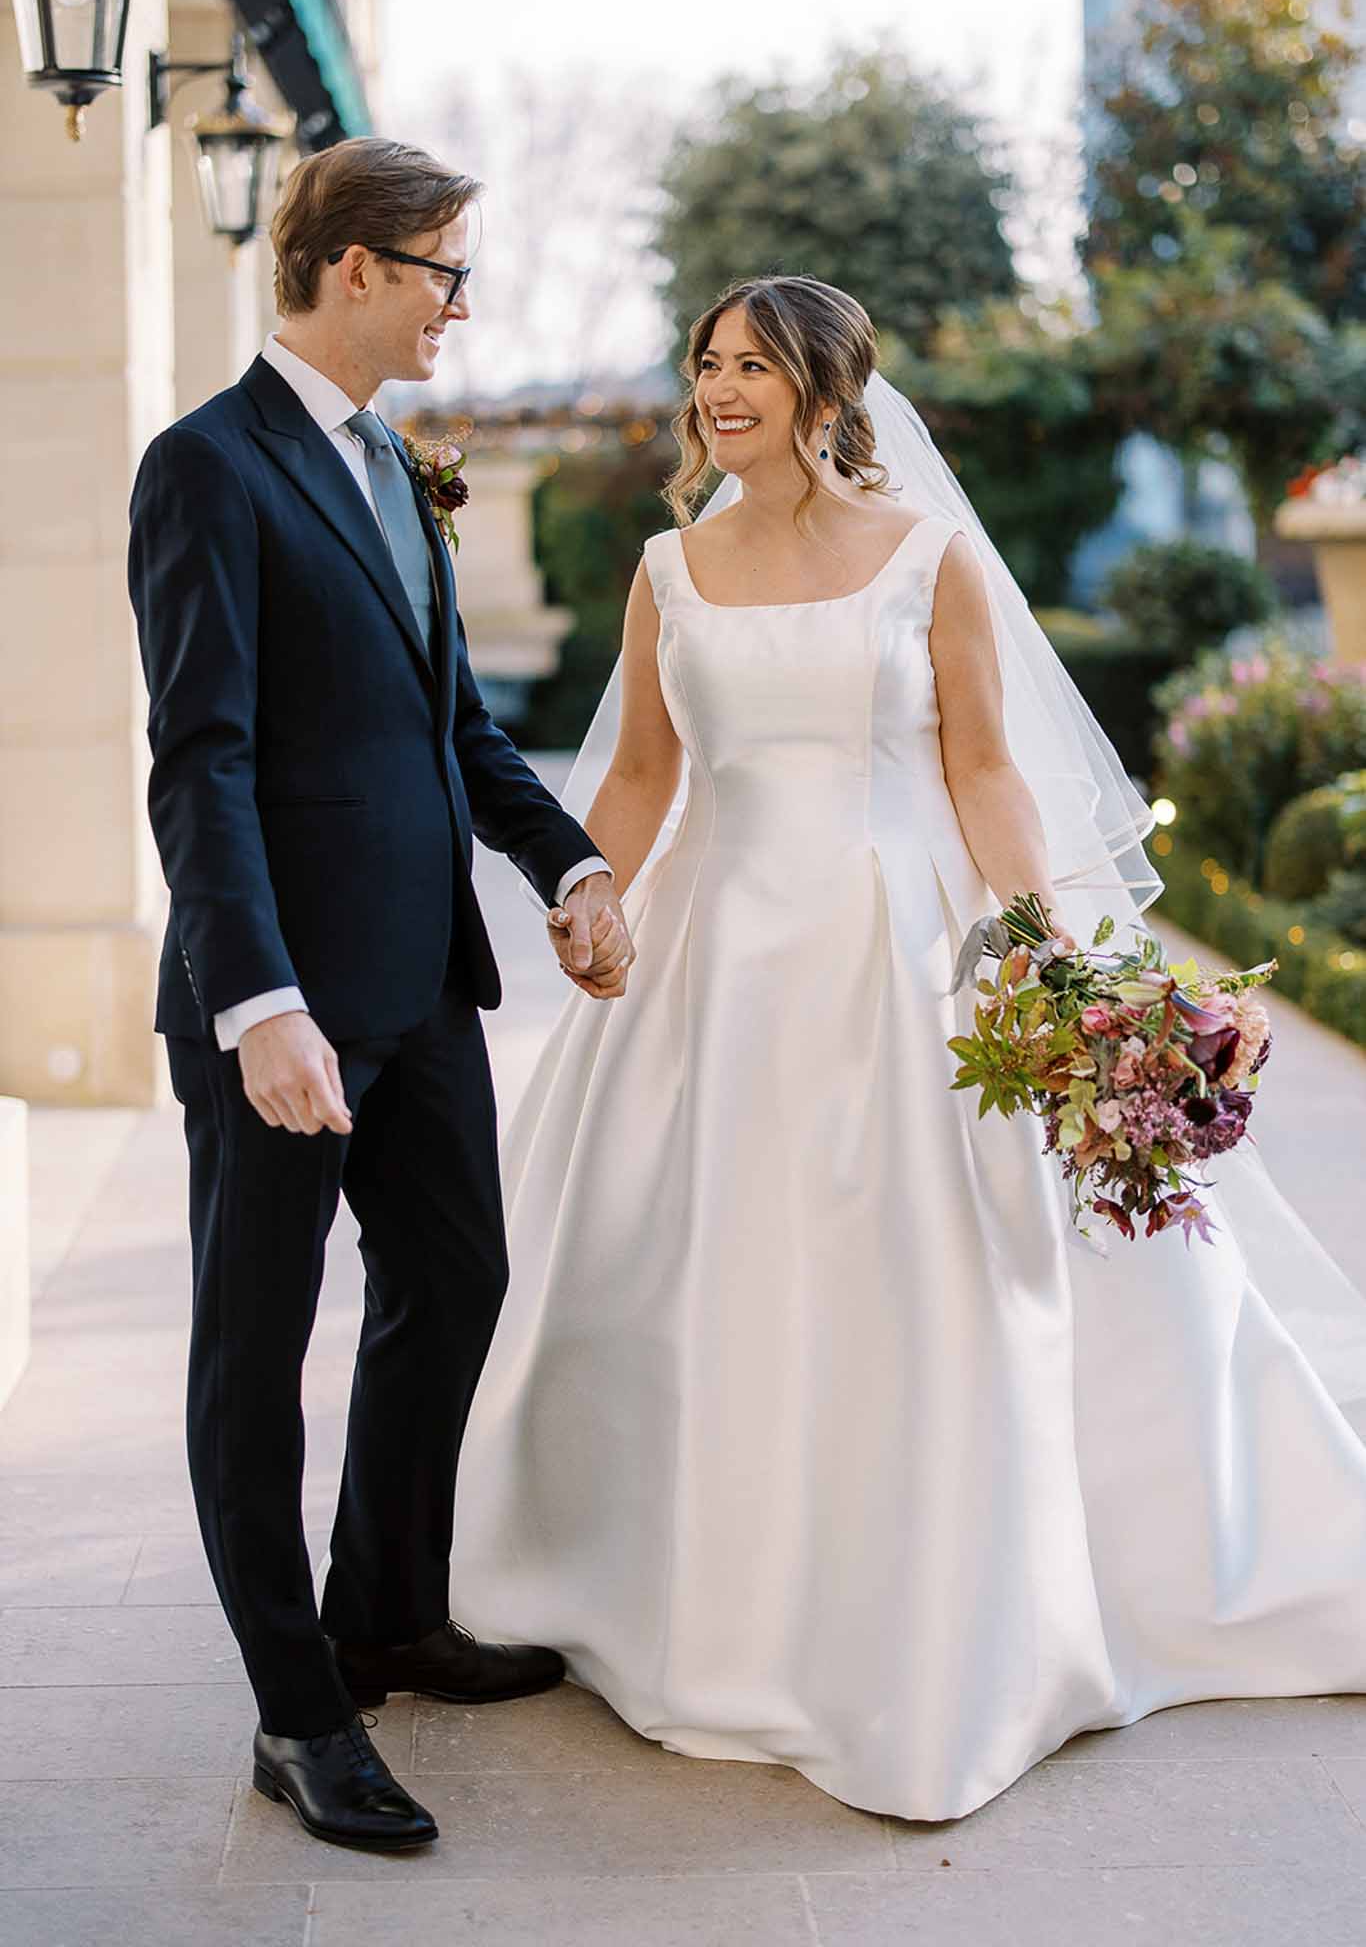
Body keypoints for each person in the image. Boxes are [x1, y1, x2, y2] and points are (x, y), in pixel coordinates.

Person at [448, 273, 1366, 1823]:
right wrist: (584, 895)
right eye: (706, 364)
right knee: (701, 1266)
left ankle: (946, 1614)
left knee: (916, 1267)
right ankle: (694, 1595)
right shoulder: (667, 570)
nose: (719, 387)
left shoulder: (928, 558)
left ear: (823, 393)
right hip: (716, 964)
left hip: (904, 953)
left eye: (752, 365)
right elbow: (648, 771)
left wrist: (1052, 959)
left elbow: (989, 770)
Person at [126, 137, 633, 1852]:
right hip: (282, 1002)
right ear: (354, 267)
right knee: (252, 1352)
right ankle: (296, 1709)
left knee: (457, 1278)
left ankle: (385, 1613)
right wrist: (255, 1001)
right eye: (441, 272)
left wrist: (565, 866)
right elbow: (202, 762)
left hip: (426, 984)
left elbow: (454, 731)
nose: (459, 305)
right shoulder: (206, 468)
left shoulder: (394, 472)